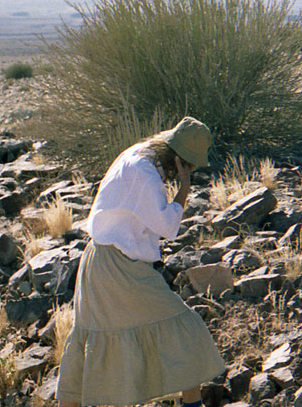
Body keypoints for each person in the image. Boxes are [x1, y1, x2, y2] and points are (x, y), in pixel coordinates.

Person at [57, 117, 225, 407]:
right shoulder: (146, 175)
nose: (187, 171)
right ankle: (192, 403)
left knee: (100, 340)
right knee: (183, 326)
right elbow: (168, 227)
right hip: (117, 269)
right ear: (179, 160)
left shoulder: (137, 155)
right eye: (189, 166)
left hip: (104, 262)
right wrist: (184, 188)